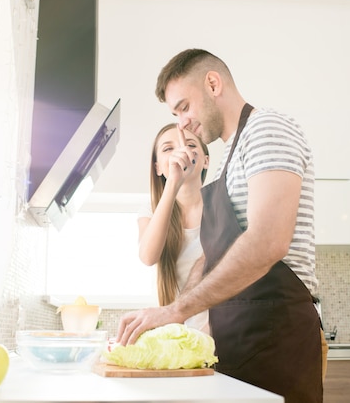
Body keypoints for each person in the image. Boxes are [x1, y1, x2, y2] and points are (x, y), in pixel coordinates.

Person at [117, 49, 326, 403]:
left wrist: (175, 310)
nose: (181, 123)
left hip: (277, 335)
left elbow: (267, 241)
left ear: (213, 83)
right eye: (175, 113)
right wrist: (171, 318)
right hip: (237, 342)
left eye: (184, 107)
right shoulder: (229, 154)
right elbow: (215, 256)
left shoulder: (266, 127)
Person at [137, 123, 210, 334]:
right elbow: (148, 257)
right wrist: (173, 182)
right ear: (158, 167)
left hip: (215, 334)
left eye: (189, 144)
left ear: (205, 161)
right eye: (169, 149)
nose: (181, 152)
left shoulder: (220, 206)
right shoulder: (150, 210)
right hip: (171, 332)